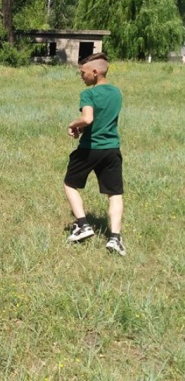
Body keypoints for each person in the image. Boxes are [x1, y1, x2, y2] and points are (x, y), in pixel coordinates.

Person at [64, 52, 126, 256]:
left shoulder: (88, 94)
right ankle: (115, 238)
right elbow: (103, 120)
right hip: (111, 149)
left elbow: (88, 118)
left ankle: (82, 225)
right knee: (114, 193)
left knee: (70, 184)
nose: (81, 76)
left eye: (82, 73)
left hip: (90, 149)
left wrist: (74, 124)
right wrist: (84, 128)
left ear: (95, 72)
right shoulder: (117, 93)